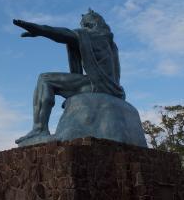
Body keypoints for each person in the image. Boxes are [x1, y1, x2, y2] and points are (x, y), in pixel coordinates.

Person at [13, 9, 125, 144]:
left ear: (92, 24)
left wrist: (41, 30)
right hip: (112, 90)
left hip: (96, 85)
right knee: (49, 79)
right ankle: (39, 129)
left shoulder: (91, 35)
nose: (82, 28)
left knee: (45, 79)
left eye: (84, 24)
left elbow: (64, 34)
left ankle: (39, 128)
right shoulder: (111, 43)